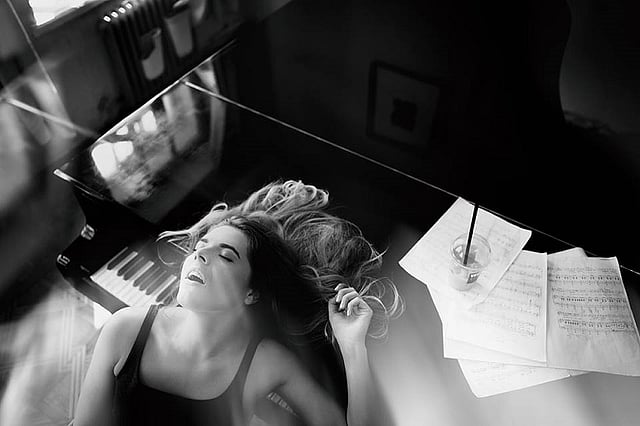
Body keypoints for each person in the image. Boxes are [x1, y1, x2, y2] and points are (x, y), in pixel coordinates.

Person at [74, 180, 403, 425]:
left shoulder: (266, 363)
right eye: (201, 246)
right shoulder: (125, 327)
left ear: (251, 292)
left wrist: (352, 347)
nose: (200, 254)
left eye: (226, 256)